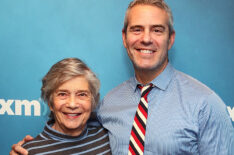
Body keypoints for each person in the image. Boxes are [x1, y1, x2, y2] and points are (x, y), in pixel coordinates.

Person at [10, 0, 234, 155]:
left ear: (171, 38)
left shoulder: (205, 104)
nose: (146, 39)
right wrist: (32, 148)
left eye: (157, 30)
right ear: (125, 38)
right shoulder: (110, 102)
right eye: (137, 29)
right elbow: (70, 124)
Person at [16, 58, 111, 154]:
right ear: (50, 102)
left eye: (82, 94)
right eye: (62, 94)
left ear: (93, 101)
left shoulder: (108, 137)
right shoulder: (28, 152)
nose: (72, 104)